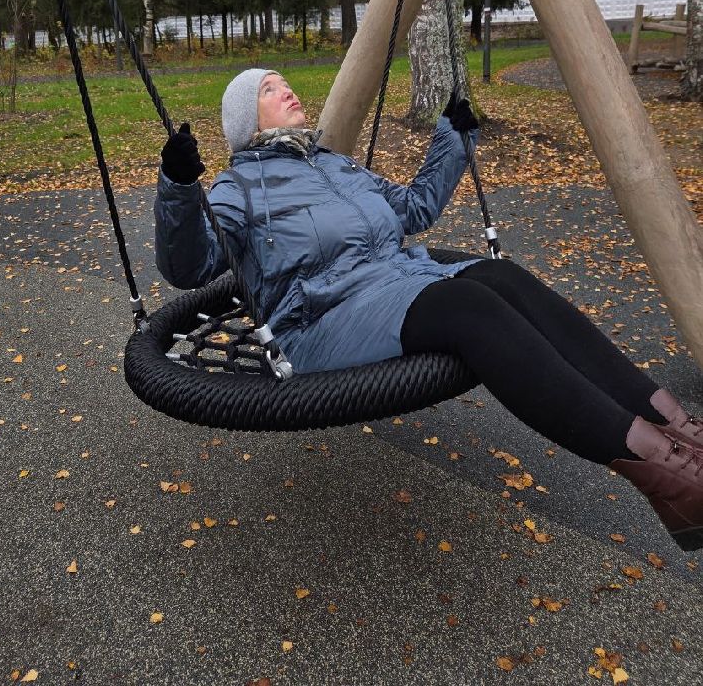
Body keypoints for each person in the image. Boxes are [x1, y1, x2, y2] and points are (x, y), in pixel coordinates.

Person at [155, 67, 703, 550]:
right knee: (468, 306)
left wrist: (453, 138)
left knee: (503, 276)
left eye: (285, 81)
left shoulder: (336, 166)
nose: (288, 90)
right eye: (270, 89)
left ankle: (680, 431)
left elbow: (414, 209)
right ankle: (667, 475)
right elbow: (190, 266)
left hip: (397, 283)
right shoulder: (238, 187)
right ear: (246, 125)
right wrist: (180, 187)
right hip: (321, 321)